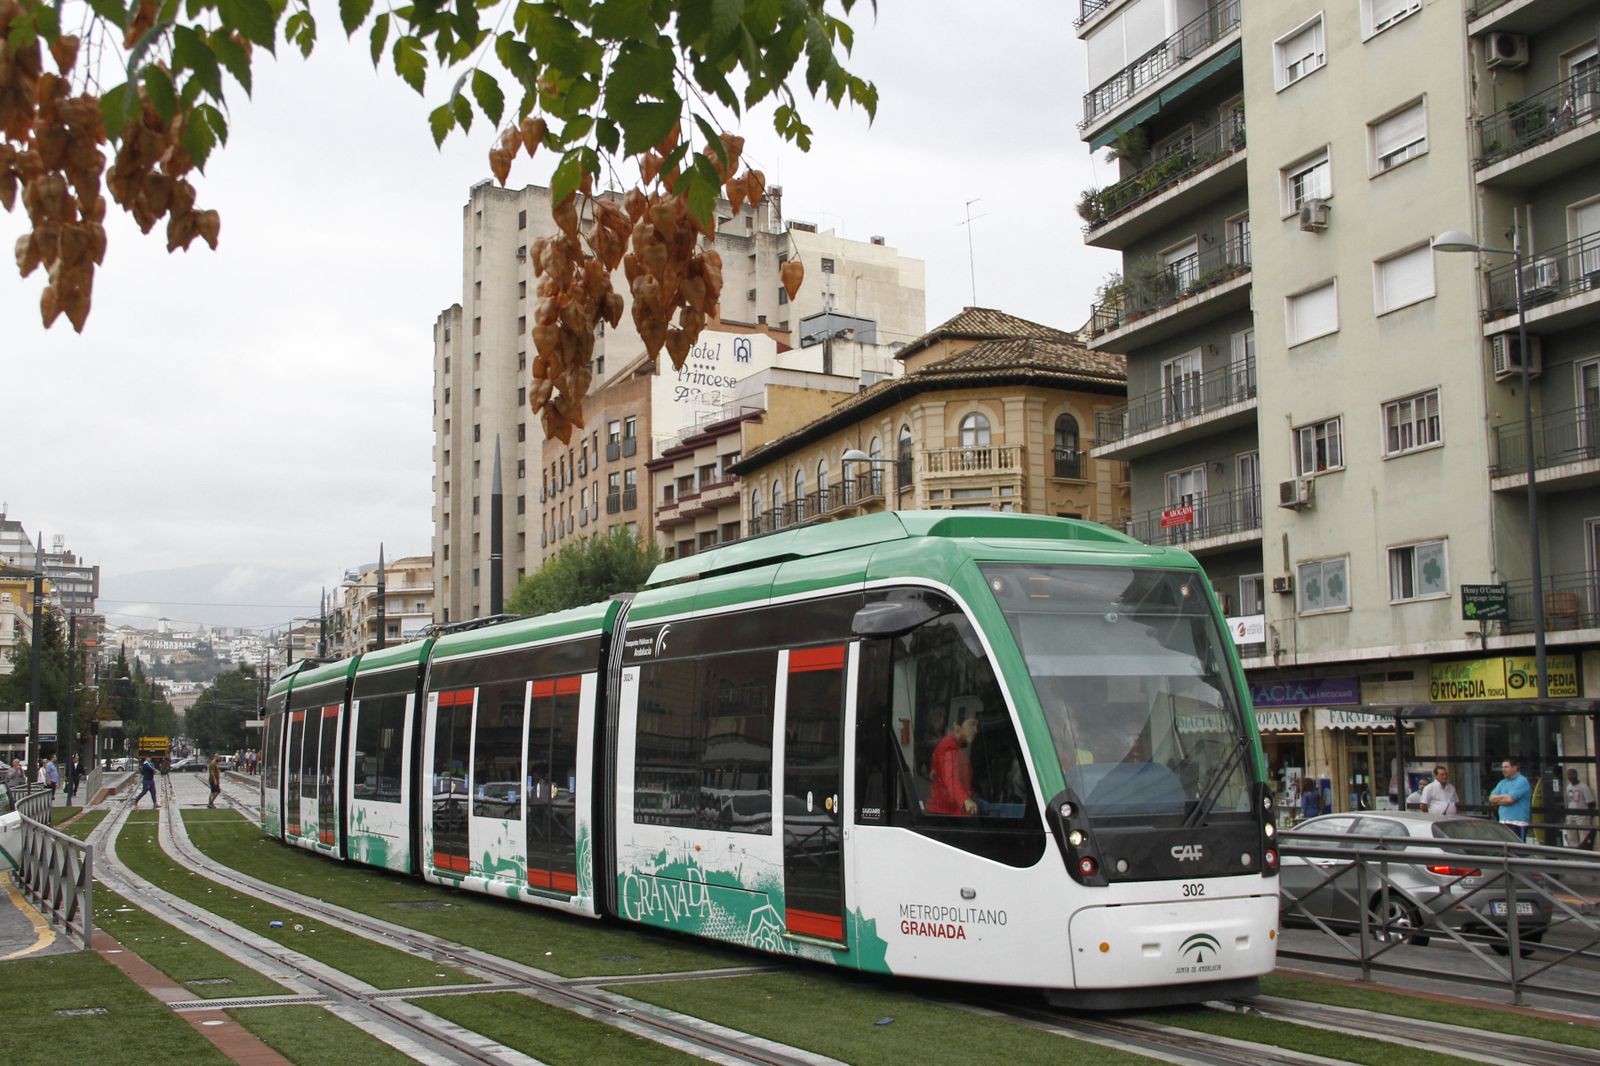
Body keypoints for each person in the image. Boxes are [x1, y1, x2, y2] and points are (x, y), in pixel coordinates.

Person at [927, 716, 980, 816]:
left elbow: (963, 779)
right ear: (957, 727)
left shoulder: (957, 748)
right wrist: (965, 800)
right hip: (945, 812)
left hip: (953, 809)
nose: (975, 730)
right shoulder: (948, 748)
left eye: (976, 725)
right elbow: (950, 780)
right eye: (971, 724)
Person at [1488, 757, 1532, 841]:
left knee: (1518, 850)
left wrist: (1499, 800)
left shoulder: (1522, 781)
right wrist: (1503, 796)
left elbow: (1509, 800)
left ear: (1515, 768)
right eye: (1502, 767)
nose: (1503, 770)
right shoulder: (1502, 782)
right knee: (1505, 850)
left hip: (1517, 823)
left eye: (1506, 767)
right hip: (1503, 821)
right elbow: (1491, 798)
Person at [1565, 768, 1596, 850]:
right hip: (1571, 816)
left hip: (1582, 816)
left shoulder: (1583, 787)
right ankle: (1573, 856)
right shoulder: (1568, 787)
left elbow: (1591, 803)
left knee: (1584, 837)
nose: (1570, 777)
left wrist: (1590, 816)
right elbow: (1569, 801)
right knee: (1571, 837)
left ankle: (1585, 854)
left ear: (1576, 775)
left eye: (1571, 775)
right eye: (1568, 775)